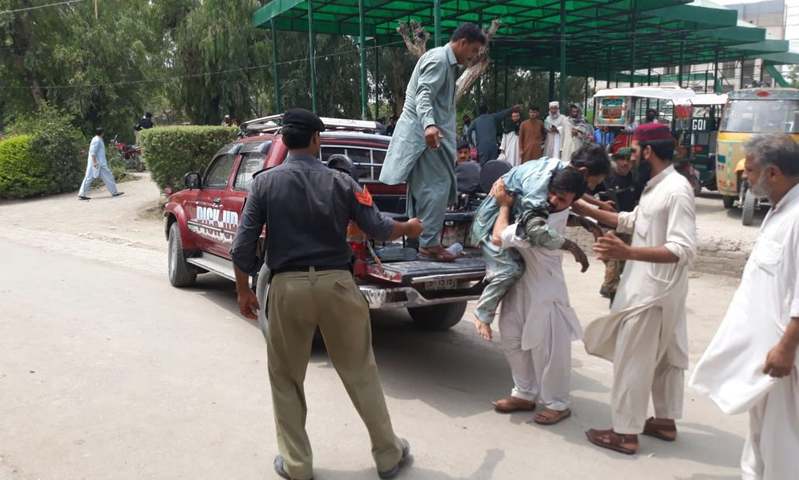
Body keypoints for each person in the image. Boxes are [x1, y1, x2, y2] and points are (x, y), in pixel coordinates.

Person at [230, 109, 423, 480]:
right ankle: (387, 454)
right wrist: (409, 227)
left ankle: (297, 465)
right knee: (361, 372)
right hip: (338, 285)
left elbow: (242, 249)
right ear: (317, 140)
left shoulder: (264, 184)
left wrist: (244, 290)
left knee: (286, 378)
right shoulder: (342, 183)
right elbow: (378, 227)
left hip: (286, 289)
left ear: (283, 141)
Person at [576, 123, 697, 455]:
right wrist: (579, 204)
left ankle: (624, 433)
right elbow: (631, 221)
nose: (631, 156)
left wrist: (626, 253)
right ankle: (665, 421)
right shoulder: (658, 186)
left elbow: (682, 249)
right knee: (666, 357)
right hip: (660, 291)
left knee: (633, 359)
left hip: (652, 293)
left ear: (648, 151)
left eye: (636, 150)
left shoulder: (676, 189)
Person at [690, 134, 799, 480]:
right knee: (759, 435)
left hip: (785, 357)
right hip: (764, 353)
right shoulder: (781, 211)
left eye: (750, 171)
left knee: (783, 441)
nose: (745, 178)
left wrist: (786, 347)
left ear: (774, 173)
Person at [485, 173, 589, 426]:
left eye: (561, 197)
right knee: (511, 338)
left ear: (573, 199)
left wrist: (505, 206)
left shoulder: (540, 224)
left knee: (550, 349)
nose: (553, 199)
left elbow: (499, 237)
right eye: (551, 192)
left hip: (546, 290)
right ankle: (524, 393)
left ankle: (557, 403)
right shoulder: (543, 208)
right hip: (521, 284)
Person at [471, 143, 610, 327]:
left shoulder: (558, 170)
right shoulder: (541, 187)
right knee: (511, 269)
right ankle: (483, 315)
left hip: (513, 221)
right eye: (594, 183)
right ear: (584, 173)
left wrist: (585, 222)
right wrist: (572, 247)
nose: (592, 188)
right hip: (491, 225)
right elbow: (533, 229)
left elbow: (558, 209)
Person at [379, 23, 486, 262]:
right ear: (463, 42)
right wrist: (429, 124)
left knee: (429, 190)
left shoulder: (445, 64)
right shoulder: (439, 60)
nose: (475, 56)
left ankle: (422, 238)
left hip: (429, 137)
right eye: (474, 50)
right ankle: (429, 244)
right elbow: (423, 93)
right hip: (425, 137)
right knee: (435, 188)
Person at [594, 148, 638, 301]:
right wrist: (600, 203)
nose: (625, 163)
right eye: (622, 159)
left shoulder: (634, 178)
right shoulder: (606, 178)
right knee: (612, 256)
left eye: (629, 160)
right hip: (607, 224)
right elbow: (586, 192)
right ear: (615, 160)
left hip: (626, 224)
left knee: (624, 259)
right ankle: (610, 287)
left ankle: (611, 285)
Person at [77, 128, 123, 201]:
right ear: (102, 133)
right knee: (88, 178)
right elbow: (92, 152)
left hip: (101, 164)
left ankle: (114, 192)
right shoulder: (96, 140)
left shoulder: (98, 139)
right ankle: (81, 194)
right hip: (95, 163)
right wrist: (95, 162)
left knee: (109, 176)